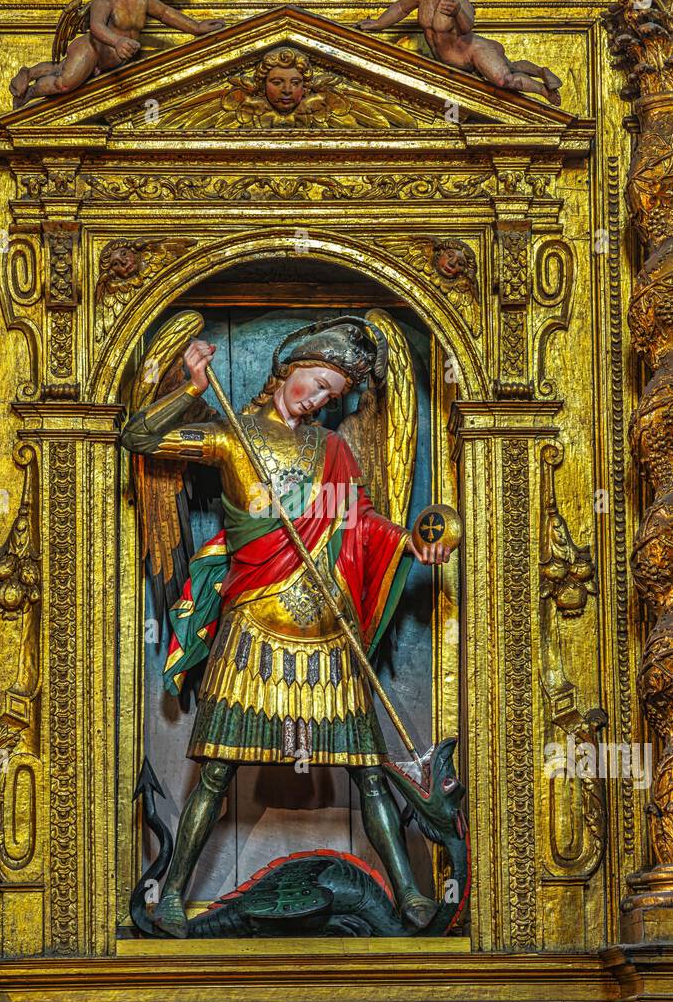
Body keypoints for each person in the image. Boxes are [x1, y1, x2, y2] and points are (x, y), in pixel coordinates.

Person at [121, 317, 452, 937]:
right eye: (316, 382)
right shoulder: (232, 436)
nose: (319, 399)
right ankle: (171, 897)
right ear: (288, 367)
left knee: (368, 772)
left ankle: (408, 894)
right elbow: (140, 438)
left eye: (331, 394)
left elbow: (362, 526)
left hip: (326, 638)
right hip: (254, 633)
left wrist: (410, 544)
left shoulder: (333, 452)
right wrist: (192, 387)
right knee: (216, 772)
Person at [9, 0, 226, 106]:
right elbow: (96, 28)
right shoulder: (104, 2)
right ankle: (29, 93)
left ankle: (29, 72)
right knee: (63, 83)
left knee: (60, 69)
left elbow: (166, 13)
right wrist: (118, 41)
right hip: (92, 49)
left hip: (111, 60)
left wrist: (196, 27)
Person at [358, 0, 562, 105]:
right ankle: (539, 71)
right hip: (455, 59)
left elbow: (466, 28)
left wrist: (457, 13)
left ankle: (542, 89)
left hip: (472, 53)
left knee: (504, 79)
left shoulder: (460, 2)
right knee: (508, 67)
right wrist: (378, 23)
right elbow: (402, 7)